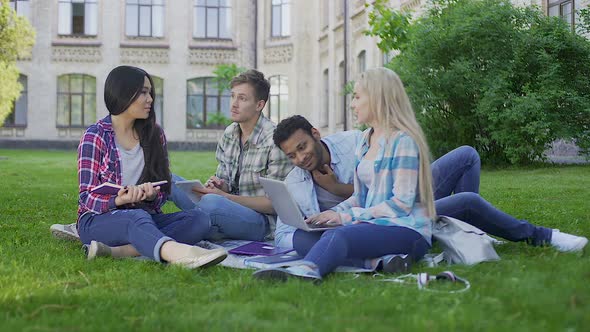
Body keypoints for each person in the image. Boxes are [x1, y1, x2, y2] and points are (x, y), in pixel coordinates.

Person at [271, 115, 588, 254]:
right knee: (466, 202)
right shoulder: (297, 182)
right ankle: (537, 237)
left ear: (315, 133)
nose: (300, 158)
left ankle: (465, 233)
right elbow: (288, 233)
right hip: (389, 219)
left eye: (302, 148)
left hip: (402, 197)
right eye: (291, 155)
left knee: (466, 155)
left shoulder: (353, 141)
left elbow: (394, 184)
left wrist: (342, 189)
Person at [253, 67, 437, 282]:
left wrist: (345, 218)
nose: (352, 104)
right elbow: (360, 198)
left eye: (357, 97)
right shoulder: (366, 141)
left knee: (338, 235)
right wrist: (330, 215)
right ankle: (380, 263)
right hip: (376, 225)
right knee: (310, 234)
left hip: (407, 229)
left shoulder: (403, 141)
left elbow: (402, 204)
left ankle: (307, 271)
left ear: (378, 97)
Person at [76, 65, 227, 268]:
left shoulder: (155, 135)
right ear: (123, 93)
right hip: (98, 220)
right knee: (134, 217)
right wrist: (118, 200)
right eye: (143, 93)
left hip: (145, 216)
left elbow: (163, 189)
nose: (150, 99)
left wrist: (153, 196)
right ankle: (181, 254)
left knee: (199, 219)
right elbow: (86, 198)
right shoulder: (95, 136)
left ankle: (118, 251)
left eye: (150, 92)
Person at [169, 69, 293, 241]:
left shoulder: (275, 141)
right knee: (169, 180)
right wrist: (220, 185)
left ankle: (195, 225)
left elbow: (275, 205)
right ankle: (198, 224)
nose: (234, 104)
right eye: (233, 96)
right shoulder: (230, 133)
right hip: (226, 207)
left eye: (242, 98)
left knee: (210, 204)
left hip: (261, 222)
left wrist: (225, 197)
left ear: (259, 105)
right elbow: (225, 181)